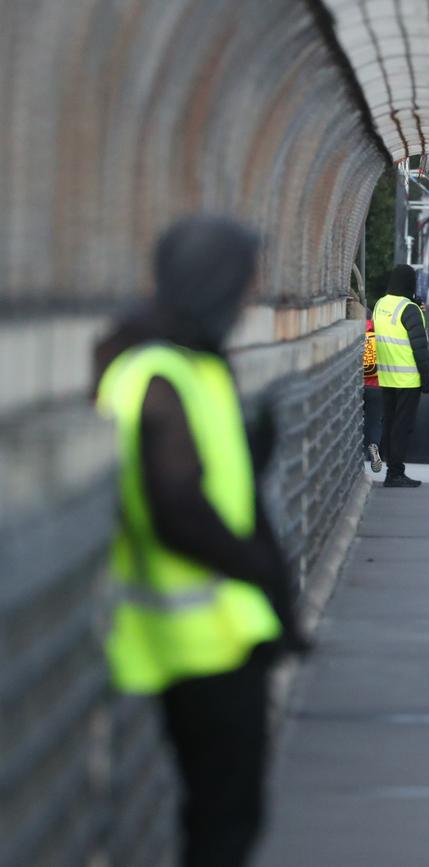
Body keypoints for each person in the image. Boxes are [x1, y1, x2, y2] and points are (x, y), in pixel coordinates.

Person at [93, 214, 309, 867]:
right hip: (199, 637)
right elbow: (179, 505)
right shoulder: (161, 371)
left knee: (225, 813)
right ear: (214, 282)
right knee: (224, 818)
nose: (250, 298)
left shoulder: (185, 361)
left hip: (212, 633)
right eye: (245, 281)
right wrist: (257, 573)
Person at [373, 264, 429, 487]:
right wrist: (427, 381)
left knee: (389, 423)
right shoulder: (410, 309)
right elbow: (420, 349)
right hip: (408, 379)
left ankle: (390, 467)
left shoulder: (380, 304)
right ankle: (395, 473)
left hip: (386, 376)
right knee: (402, 427)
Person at [363, 313, 383, 472]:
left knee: (357, 423)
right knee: (374, 422)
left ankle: (359, 455)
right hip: (376, 384)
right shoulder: (379, 332)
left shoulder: (357, 330)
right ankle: (374, 447)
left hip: (356, 385)